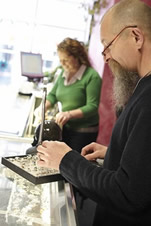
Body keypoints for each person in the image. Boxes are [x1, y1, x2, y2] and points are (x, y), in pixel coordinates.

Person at [36, 0, 151, 225]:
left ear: (136, 37)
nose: (106, 57)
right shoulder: (143, 87)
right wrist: (113, 153)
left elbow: (127, 193)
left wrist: (65, 160)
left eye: (108, 45)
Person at [37, 37, 102, 153]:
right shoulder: (63, 73)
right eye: (60, 59)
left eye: (65, 60)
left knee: (74, 163)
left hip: (84, 132)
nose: (62, 63)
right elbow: (53, 95)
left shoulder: (92, 76)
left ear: (77, 57)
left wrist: (68, 114)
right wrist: (43, 107)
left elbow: (92, 106)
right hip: (66, 128)